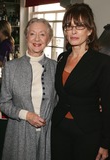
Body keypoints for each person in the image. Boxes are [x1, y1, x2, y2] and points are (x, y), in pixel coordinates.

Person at [51, 3, 110, 160]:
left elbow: (107, 105)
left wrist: (106, 143)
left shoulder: (102, 62)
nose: (73, 31)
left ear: (90, 31)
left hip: (87, 131)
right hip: (59, 127)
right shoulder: (62, 58)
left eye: (79, 26)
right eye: (69, 26)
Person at [0, 17, 57, 160]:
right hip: (19, 135)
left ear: (48, 39)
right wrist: (26, 115)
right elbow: (3, 103)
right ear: (26, 36)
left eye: (42, 34)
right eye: (32, 34)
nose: (37, 38)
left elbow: (60, 101)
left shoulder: (56, 67)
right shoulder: (11, 68)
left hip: (47, 135)